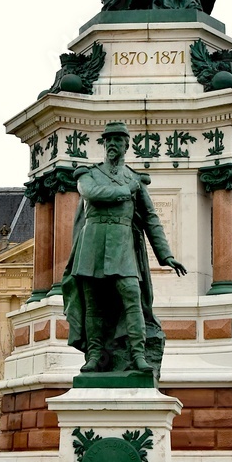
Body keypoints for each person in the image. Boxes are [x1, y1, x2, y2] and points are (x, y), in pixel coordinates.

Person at [62, 121, 186, 374]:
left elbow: (151, 218)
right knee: (94, 304)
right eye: (108, 140)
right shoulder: (89, 174)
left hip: (122, 244)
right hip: (93, 243)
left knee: (132, 296)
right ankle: (95, 355)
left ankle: (138, 354)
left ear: (127, 146)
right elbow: (92, 193)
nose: (112, 145)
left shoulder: (135, 179)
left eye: (118, 141)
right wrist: (125, 190)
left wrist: (166, 255)